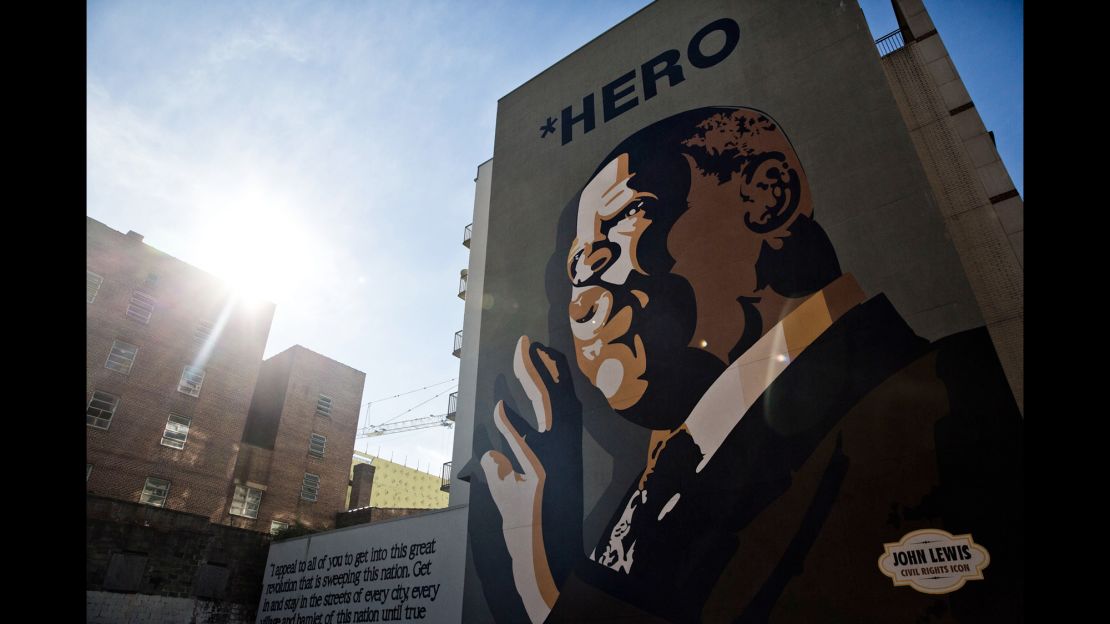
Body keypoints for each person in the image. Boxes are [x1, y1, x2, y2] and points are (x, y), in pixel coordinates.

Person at [465, 107, 1022, 623]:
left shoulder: (960, 393)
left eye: (628, 217)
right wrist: (539, 561)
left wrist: (542, 585)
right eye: (578, 267)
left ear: (768, 196)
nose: (583, 298)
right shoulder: (667, 475)